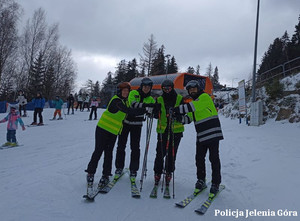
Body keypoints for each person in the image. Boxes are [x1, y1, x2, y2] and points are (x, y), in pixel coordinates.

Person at [85, 82, 146, 192]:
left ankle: (106, 175)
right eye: (124, 91)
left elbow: (131, 111)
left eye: (127, 91)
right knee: (98, 151)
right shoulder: (116, 100)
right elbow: (128, 111)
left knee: (109, 153)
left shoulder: (126, 101)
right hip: (103, 129)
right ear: (119, 91)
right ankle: (91, 172)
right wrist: (144, 109)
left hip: (113, 132)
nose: (125, 93)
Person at [173, 80, 224, 195]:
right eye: (190, 90)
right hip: (201, 135)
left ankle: (216, 183)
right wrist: (179, 118)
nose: (192, 91)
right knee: (199, 159)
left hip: (212, 133)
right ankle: (201, 180)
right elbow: (189, 118)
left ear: (199, 88)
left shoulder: (205, 97)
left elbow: (191, 107)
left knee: (214, 159)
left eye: (194, 89)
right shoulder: (194, 102)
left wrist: (177, 109)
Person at [114, 77, 156, 182]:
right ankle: (119, 167)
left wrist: (151, 111)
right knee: (121, 146)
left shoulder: (150, 99)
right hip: (126, 123)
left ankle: (134, 169)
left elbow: (150, 112)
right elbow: (133, 104)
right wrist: (146, 107)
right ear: (141, 86)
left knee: (135, 148)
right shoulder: (133, 93)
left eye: (148, 87)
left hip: (137, 125)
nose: (146, 88)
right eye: (144, 86)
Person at [151, 79, 190, 192]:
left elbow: (185, 112)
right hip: (163, 131)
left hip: (175, 130)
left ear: (172, 87)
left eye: (168, 88)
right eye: (164, 88)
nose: (166, 90)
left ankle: (169, 172)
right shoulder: (159, 99)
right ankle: (157, 172)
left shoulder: (179, 99)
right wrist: (155, 112)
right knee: (160, 153)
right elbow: (155, 115)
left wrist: (179, 116)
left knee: (172, 153)